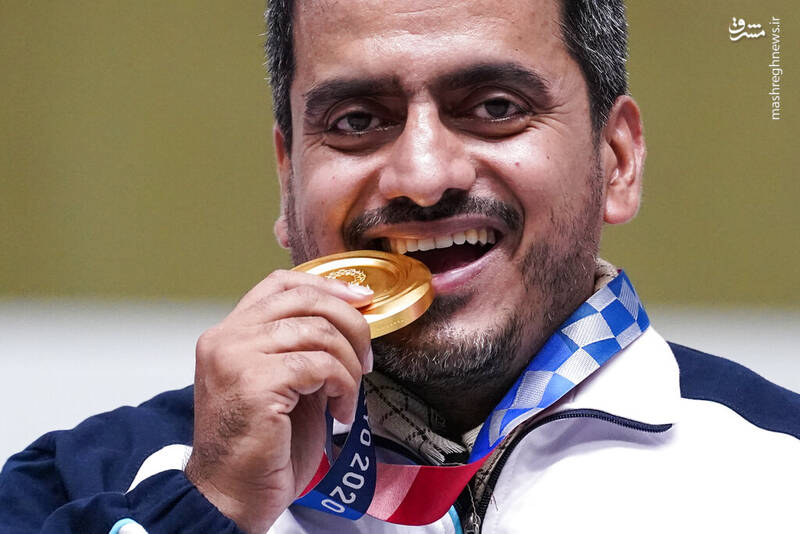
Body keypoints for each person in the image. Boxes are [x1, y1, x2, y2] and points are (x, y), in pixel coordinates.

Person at [2, 1, 799, 532]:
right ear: (287, 178)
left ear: (616, 159)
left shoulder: (782, 469)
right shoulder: (82, 483)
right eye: (357, 120)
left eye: (495, 107)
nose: (421, 175)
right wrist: (207, 507)